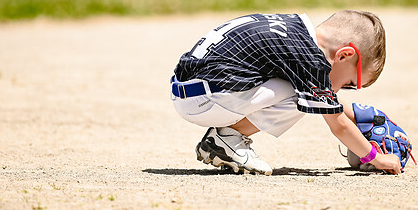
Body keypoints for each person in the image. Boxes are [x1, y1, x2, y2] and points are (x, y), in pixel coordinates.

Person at [170, 10, 402, 175]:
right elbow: (338, 125)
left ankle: (225, 137)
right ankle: (226, 138)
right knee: (304, 93)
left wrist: (355, 114)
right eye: (352, 83)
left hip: (191, 91)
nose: (344, 89)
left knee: (306, 89)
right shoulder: (310, 59)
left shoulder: (295, 31)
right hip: (204, 101)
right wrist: (376, 157)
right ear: (344, 55)